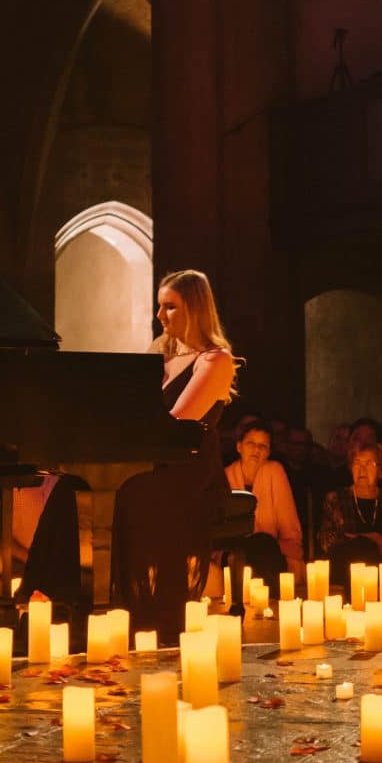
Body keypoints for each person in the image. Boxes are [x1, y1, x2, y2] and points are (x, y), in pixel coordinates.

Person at [111, 269, 238, 637]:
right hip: (157, 463)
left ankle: (153, 617)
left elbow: (177, 421)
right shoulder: (158, 352)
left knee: (133, 494)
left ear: (194, 309)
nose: (160, 316)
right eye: (159, 306)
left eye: (170, 307)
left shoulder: (215, 359)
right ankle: (71, 601)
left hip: (190, 471)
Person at [217, 425, 304, 603]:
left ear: (269, 451)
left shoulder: (274, 471)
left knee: (262, 544)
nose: (256, 450)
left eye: (263, 446)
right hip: (235, 555)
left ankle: (266, 605)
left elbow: (291, 533)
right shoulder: (225, 477)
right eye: (251, 443)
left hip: (269, 553)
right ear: (239, 446)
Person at [315, 442, 382, 577]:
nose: (362, 470)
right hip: (346, 570)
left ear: (381, 471)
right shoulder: (336, 499)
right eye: (357, 463)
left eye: (369, 464)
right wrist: (374, 539)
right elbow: (326, 540)